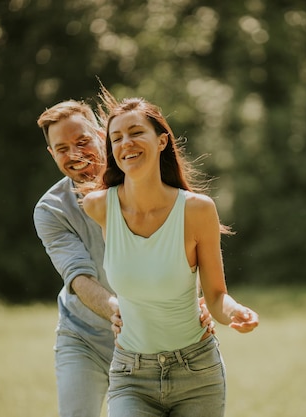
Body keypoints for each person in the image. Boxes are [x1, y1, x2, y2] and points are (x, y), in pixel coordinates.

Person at [80, 87, 259, 417]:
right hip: (131, 374)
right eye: (116, 138)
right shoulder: (99, 207)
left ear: (162, 141)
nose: (125, 144)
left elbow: (217, 297)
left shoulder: (196, 211)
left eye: (136, 133)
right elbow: (71, 170)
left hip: (197, 374)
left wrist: (235, 312)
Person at [33, 99, 213, 417]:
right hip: (84, 337)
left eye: (82, 141)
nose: (74, 154)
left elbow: (180, 252)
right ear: (51, 154)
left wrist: (196, 302)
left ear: (102, 133)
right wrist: (121, 311)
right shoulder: (51, 210)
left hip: (148, 341)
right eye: (62, 148)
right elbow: (78, 278)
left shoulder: (147, 184)